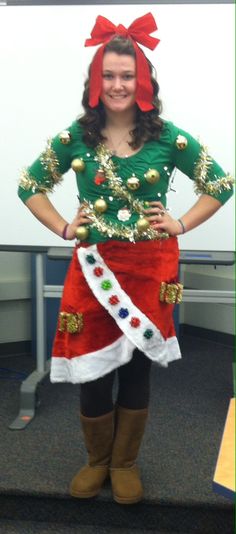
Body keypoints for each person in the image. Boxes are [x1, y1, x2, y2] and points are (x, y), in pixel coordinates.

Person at [18, 13, 233, 505]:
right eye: (108, 75)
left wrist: (179, 223)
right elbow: (30, 186)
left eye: (127, 75)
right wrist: (63, 227)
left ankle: (125, 462)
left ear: (144, 82)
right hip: (93, 271)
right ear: (96, 81)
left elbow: (220, 184)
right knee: (90, 368)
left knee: (136, 368)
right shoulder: (76, 136)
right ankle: (96, 461)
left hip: (149, 270)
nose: (117, 84)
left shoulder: (167, 137)